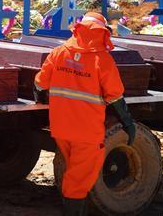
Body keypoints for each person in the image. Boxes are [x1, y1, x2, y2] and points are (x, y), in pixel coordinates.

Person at [34, 12, 136, 216]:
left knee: (73, 171)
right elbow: (115, 96)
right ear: (103, 33)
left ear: (78, 29)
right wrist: (127, 122)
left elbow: (40, 83)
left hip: (61, 128)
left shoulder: (59, 52)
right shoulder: (103, 60)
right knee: (80, 179)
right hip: (87, 132)